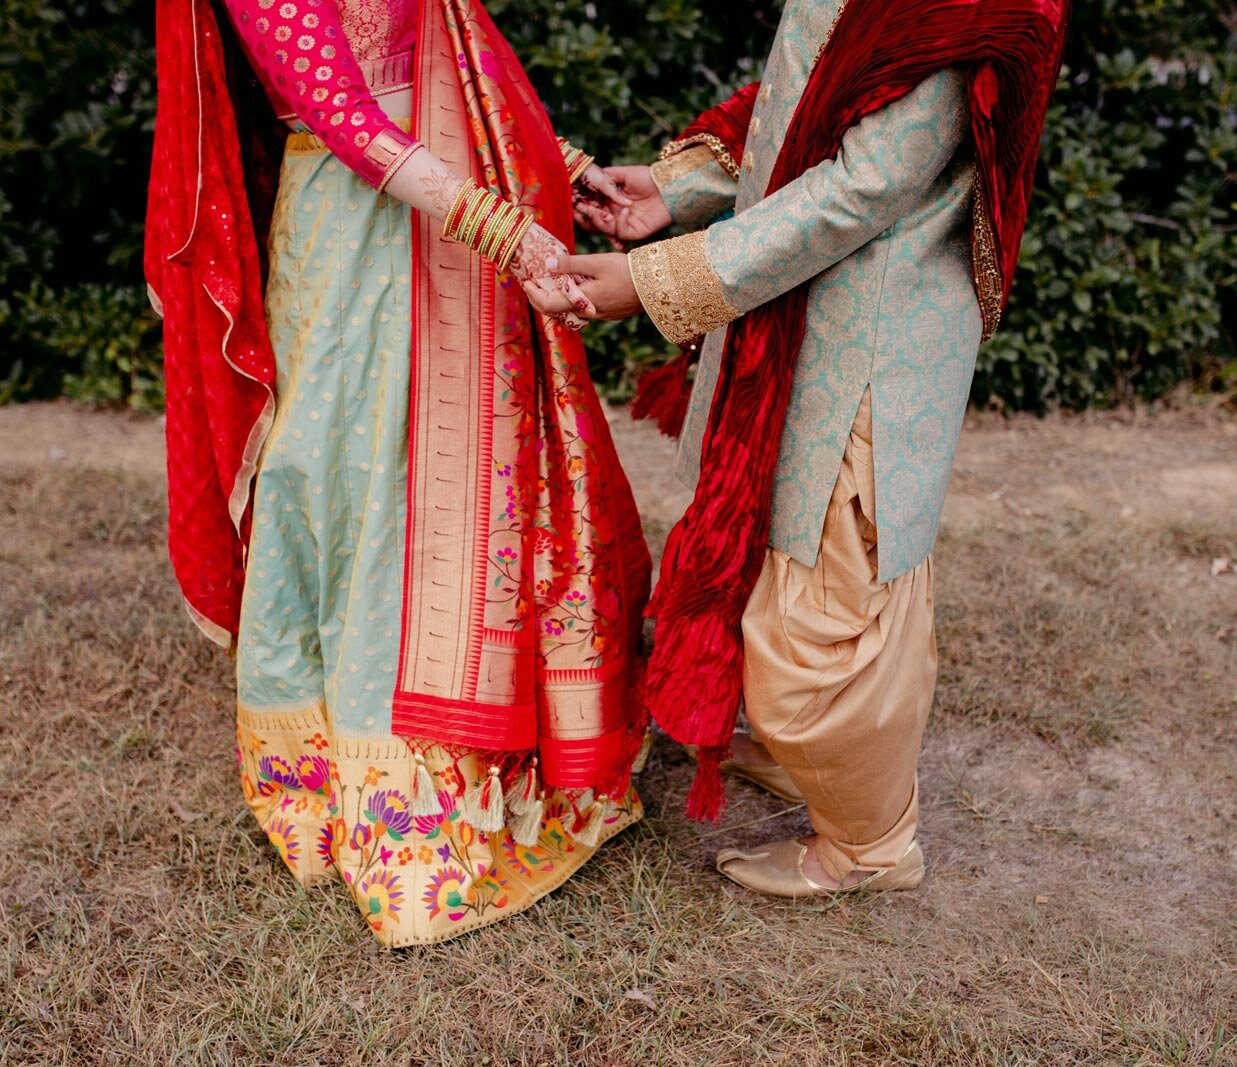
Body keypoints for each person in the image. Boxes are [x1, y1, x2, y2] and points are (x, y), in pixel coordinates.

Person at [144, 0, 654, 947]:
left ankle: (485, 776)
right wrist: (504, 230)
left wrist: (567, 171)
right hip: (352, 235)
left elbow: (454, 62)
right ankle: (382, 809)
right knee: (350, 487)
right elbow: (340, 112)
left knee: (456, 497)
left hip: (450, 215)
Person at [536, 0, 1070, 897]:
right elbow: (805, 108)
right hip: (805, 315)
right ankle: (818, 765)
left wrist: (659, 277)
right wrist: (679, 192)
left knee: (829, 604)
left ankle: (871, 846)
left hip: (874, 340)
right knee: (790, 561)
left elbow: (864, 185)